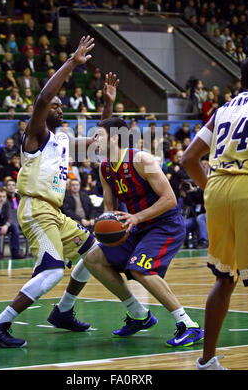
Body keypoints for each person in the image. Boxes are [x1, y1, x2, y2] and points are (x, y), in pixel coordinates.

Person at [0, 35, 118, 348]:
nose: (60, 107)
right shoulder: (36, 134)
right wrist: (72, 62)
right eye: (56, 105)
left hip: (56, 213)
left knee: (95, 253)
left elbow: (99, 143)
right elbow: (43, 99)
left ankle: (64, 311)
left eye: (60, 105)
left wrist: (107, 102)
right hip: (35, 208)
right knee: (53, 271)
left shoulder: (63, 141)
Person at [81, 118, 204, 345]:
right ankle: (139, 315)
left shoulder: (141, 159)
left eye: (98, 135)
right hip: (136, 226)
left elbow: (169, 199)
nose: (94, 140)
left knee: (140, 268)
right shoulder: (105, 168)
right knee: (93, 258)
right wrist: (105, 224)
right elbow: (111, 210)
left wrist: (136, 217)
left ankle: (188, 325)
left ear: (115, 137)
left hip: (165, 225)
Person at [181, 55, 248, 370]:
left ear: (240, 80)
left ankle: (206, 360)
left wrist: (210, 190)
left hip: (217, 189)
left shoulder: (222, 110)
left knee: (224, 279)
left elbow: (189, 158)